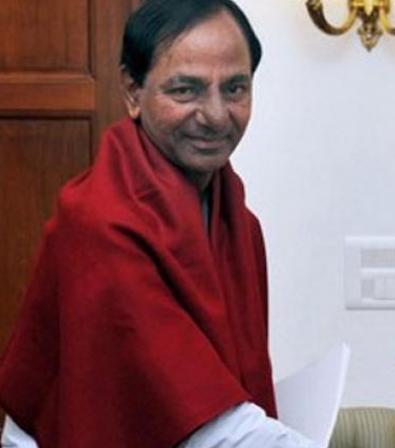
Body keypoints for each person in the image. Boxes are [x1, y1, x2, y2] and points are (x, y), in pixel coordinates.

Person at [0, 1, 316, 447]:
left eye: (235, 89)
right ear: (133, 91)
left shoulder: (239, 223)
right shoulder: (100, 221)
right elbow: (204, 419)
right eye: (185, 90)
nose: (215, 115)